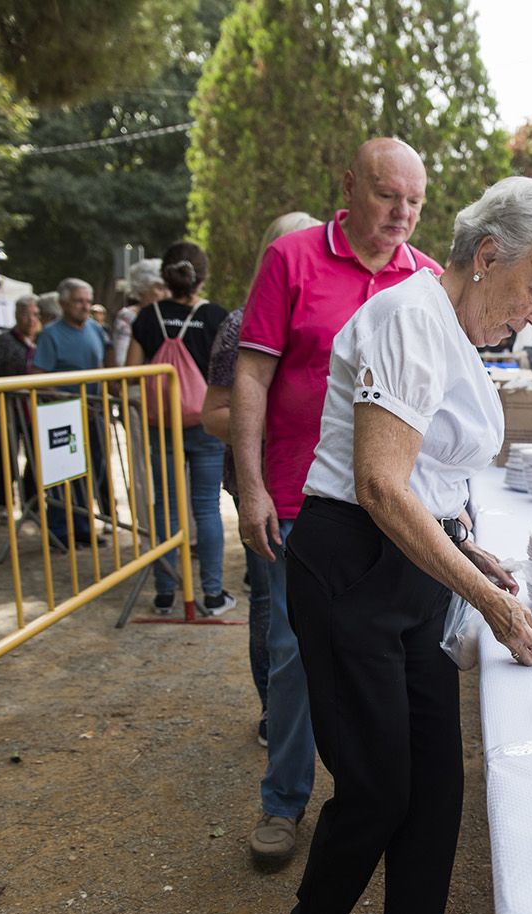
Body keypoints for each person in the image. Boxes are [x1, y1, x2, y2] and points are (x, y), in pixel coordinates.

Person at [282, 175, 532, 914]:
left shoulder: (449, 325)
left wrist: (467, 549)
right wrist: (487, 598)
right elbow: (381, 485)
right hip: (352, 568)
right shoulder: (412, 316)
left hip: (412, 569)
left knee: (437, 787)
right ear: (487, 255)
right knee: (379, 787)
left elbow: (429, 478)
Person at [233, 138, 439, 866]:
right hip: (300, 495)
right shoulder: (291, 258)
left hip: (395, 500)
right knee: (293, 655)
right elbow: (252, 377)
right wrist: (251, 483)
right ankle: (283, 803)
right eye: (388, 196)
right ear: (349, 186)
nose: (402, 214)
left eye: (414, 201)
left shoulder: (428, 278)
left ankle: (377, 798)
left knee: (392, 651)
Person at [201, 211, 322, 748]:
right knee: (274, 610)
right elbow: (214, 415)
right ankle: (273, 712)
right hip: (265, 482)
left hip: (315, 483)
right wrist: (289, 425)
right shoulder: (239, 322)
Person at [126, 241, 234, 616]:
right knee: (206, 508)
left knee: (166, 508)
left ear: (166, 277)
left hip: (161, 426)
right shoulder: (216, 317)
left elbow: (130, 374)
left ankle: (164, 593)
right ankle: (214, 594)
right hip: (205, 425)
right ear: (202, 278)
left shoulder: (146, 317)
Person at [33, 279, 108, 545]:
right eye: (79, 301)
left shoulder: (96, 330)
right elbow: (39, 376)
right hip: (62, 415)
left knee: (93, 470)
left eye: (88, 301)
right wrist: (71, 400)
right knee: (62, 473)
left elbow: (104, 366)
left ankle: (84, 525)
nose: (85, 306)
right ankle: (59, 530)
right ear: (64, 303)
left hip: (93, 414)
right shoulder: (50, 334)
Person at [0, 294, 40, 509]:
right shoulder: (4, 341)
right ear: (17, 315)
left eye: (34, 314)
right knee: (6, 455)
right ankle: (3, 502)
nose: (30, 319)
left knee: (36, 456)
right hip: (10, 408)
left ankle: (31, 501)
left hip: (34, 408)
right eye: (25, 314)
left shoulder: (40, 340)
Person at [112, 259, 166, 369]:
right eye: (160, 288)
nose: (167, 294)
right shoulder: (127, 317)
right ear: (142, 289)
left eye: (168, 288)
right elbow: (122, 361)